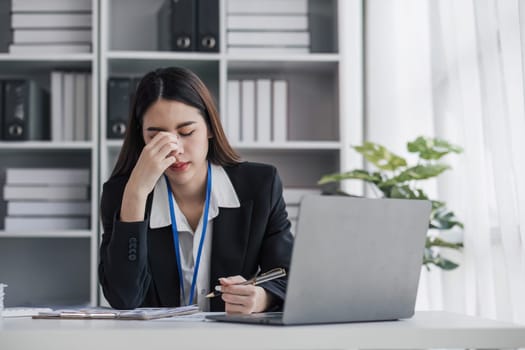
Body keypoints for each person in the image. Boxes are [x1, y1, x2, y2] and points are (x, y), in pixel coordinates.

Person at [99, 67, 293, 314]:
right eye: (157, 137)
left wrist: (261, 298)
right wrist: (136, 194)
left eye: (187, 132)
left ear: (210, 128)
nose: (175, 149)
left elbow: (288, 276)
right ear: (142, 139)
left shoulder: (260, 185)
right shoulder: (122, 194)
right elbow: (123, 299)